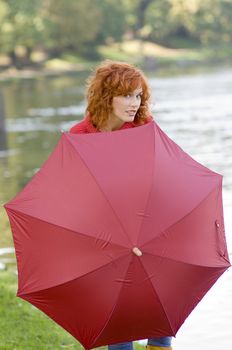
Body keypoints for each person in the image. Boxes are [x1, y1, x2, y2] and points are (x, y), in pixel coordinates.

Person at [70, 60, 173, 350]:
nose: (135, 103)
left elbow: (160, 179)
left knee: (159, 311)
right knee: (118, 316)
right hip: (104, 234)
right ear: (107, 96)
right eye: (127, 95)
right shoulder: (80, 136)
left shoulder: (145, 128)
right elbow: (75, 193)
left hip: (148, 225)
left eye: (139, 96)